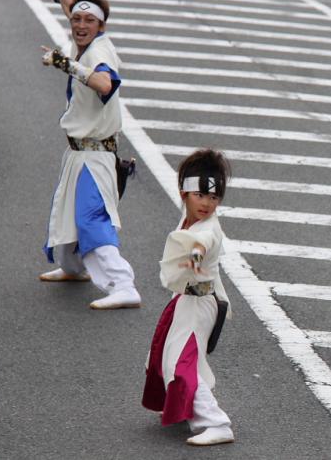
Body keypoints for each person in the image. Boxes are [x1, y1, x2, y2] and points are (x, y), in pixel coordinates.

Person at [27, 0, 140, 309]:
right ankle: (73, 267)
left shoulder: (98, 52)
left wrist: (67, 65)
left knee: (91, 218)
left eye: (88, 20)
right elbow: (70, 4)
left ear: (100, 26)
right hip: (78, 152)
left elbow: (105, 84)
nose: (79, 23)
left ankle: (123, 285)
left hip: (96, 155)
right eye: (76, 19)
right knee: (65, 210)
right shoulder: (85, 39)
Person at [142, 149, 234, 446]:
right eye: (201, 196)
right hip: (185, 301)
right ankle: (187, 408)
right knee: (168, 359)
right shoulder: (189, 217)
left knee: (181, 363)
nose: (208, 203)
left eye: (214, 198)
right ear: (184, 194)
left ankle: (216, 423)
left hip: (200, 304)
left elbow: (201, 244)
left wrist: (195, 258)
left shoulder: (208, 228)